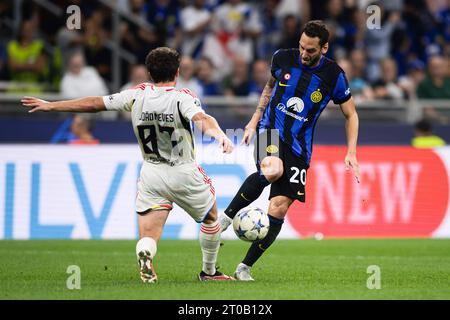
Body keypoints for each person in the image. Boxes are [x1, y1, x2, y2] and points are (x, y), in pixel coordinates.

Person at [21, 47, 235, 283]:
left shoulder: (136, 94)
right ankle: (209, 272)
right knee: (211, 218)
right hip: (183, 170)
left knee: (150, 233)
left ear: (149, 73)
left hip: (151, 171)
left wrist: (52, 105)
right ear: (176, 72)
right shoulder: (183, 96)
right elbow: (201, 118)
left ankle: (146, 255)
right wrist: (219, 136)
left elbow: (94, 103)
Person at [219, 20, 360, 281]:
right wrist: (253, 120)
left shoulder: (334, 76)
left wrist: (351, 151)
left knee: (279, 208)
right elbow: (269, 88)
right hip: (269, 129)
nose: (304, 54)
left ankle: (244, 268)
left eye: (311, 51)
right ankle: (224, 220)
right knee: (273, 170)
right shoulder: (282, 58)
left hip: (300, 147)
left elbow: (351, 114)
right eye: (302, 48)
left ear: (324, 48)